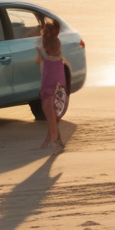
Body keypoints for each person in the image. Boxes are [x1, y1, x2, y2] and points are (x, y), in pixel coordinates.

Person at [34, 18, 69, 151]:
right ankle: (54, 137)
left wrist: (42, 83)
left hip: (49, 79)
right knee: (55, 110)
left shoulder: (40, 44)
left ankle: (52, 138)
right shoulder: (57, 42)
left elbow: (41, 64)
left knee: (48, 110)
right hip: (60, 79)